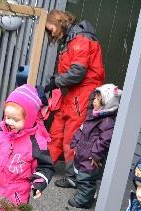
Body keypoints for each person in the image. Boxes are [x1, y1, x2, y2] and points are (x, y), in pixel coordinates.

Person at [43, 9, 105, 188]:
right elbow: (69, 71)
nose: (51, 32)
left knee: (73, 135)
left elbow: (77, 73)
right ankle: (46, 166)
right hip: (71, 92)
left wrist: (55, 82)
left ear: (59, 22)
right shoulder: (71, 40)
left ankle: (73, 176)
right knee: (56, 129)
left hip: (83, 92)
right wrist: (55, 82)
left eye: (51, 28)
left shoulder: (81, 40)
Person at [68, 83, 122, 208]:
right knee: (80, 172)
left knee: (86, 178)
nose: (95, 101)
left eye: (99, 99)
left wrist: (95, 155)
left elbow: (104, 140)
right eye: (95, 98)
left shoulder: (107, 121)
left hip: (91, 155)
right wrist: (75, 143)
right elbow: (81, 130)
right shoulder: (92, 115)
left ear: (107, 104)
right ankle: (84, 194)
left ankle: (84, 200)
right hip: (83, 150)